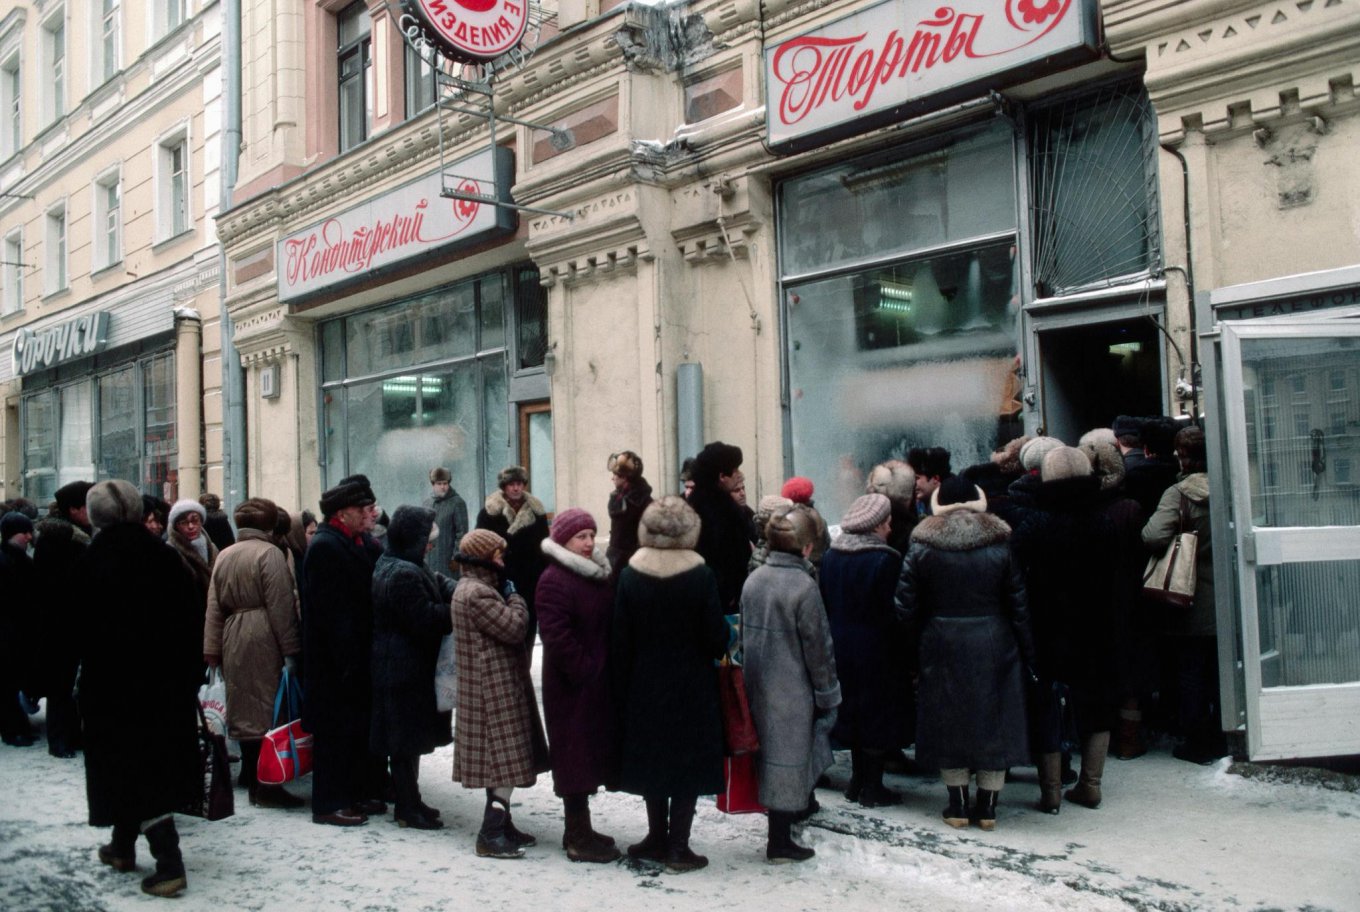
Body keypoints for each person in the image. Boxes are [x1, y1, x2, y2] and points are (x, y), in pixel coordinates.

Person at [77, 480, 201, 897]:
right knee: (148, 763)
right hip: (165, 686)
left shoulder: (92, 561)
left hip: (111, 689)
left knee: (130, 768)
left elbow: (75, 629)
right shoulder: (164, 558)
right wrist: (188, 676)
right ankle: (121, 847)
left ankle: (169, 863)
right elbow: (190, 621)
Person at [896, 476, 1034, 831]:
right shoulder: (1000, 544)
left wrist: (911, 651)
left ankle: (956, 804)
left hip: (940, 641)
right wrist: (1027, 650)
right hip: (995, 640)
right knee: (994, 722)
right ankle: (988, 808)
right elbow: (1019, 604)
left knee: (949, 721)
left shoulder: (922, 547)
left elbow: (905, 606)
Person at [612, 496, 727, 873]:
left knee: (654, 757)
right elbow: (716, 638)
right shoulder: (701, 574)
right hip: (691, 683)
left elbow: (620, 639)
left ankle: (655, 838)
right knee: (686, 761)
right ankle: (679, 846)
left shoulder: (630, 574)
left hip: (644, 682)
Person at [1011, 447, 1120, 813]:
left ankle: (1051, 792)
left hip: (1047, 624)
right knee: (1097, 700)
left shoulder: (1035, 525)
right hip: (1096, 625)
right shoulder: (1105, 522)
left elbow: (1016, 576)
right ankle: (1091, 784)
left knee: (1047, 704)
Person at [740, 508, 840, 863]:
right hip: (793, 687)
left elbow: (744, 636)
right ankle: (780, 840)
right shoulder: (803, 586)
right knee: (790, 757)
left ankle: (785, 824)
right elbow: (819, 647)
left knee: (771, 756)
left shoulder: (754, 580)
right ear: (807, 547)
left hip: (758, 681)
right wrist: (828, 691)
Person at [450, 528, 550, 858]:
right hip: (492, 691)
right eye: (497, 555)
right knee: (504, 764)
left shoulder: (471, 588)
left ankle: (503, 825)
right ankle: (491, 833)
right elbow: (515, 627)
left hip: (488, 687)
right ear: (483, 558)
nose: (502, 561)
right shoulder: (478, 594)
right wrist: (516, 598)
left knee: (499, 763)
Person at [203, 498, 304, 810]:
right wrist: (291, 649)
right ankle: (267, 784)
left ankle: (251, 773)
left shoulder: (225, 554)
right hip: (264, 634)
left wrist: (212, 649)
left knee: (243, 706)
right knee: (268, 708)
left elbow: (214, 606)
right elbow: (281, 606)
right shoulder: (269, 554)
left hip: (233, 633)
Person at [534, 508, 620, 863]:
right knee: (573, 757)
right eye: (580, 537)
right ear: (563, 540)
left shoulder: (594, 574)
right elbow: (556, 635)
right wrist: (586, 670)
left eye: (591, 535)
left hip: (593, 682)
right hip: (570, 686)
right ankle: (577, 837)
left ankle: (581, 828)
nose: (588, 543)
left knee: (588, 754)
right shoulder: (554, 579)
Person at [301, 475, 387, 826]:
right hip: (334, 662)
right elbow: (332, 613)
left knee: (351, 730)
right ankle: (328, 803)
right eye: (362, 509)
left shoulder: (355, 540)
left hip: (351, 658)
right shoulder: (326, 546)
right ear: (342, 513)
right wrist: (348, 659)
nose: (370, 513)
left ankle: (352, 794)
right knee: (333, 734)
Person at [370, 505, 456, 830]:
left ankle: (412, 800)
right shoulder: (402, 573)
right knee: (404, 743)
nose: (430, 546)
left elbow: (437, 582)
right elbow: (425, 618)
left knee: (407, 740)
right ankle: (407, 807)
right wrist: (457, 611)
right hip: (402, 668)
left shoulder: (399, 563)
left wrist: (460, 592)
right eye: (426, 541)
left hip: (401, 665)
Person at [1142, 426, 1224, 765]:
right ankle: (1224, 735)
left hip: (1188, 595)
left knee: (1191, 672)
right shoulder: (1227, 485)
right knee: (1220, 670)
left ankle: (1197, 743)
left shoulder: (1177, 494)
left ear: (1182, 456)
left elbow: (1152, 536)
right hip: (1226, 596)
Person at [818, 493, 906, 807]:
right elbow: (892, 610)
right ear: (877, 525)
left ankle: (857, 781)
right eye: (887, 523)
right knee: (876, 713)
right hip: (876, 645)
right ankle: (872, 786)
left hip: (839, 642)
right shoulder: (885, 559)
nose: (890, 528)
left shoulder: (832, 556)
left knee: (852, 709)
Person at [33, 479, 94, 759]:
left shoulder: (78, 535)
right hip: (59, 625)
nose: (90, 512)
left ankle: (71, 735)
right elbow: (54, 585)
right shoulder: (57, 539)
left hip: (71, 623)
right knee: (61, 684)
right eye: (86, 507)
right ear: (73, 509)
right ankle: (59, 740)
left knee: (72, 683)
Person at [475, 466, 550, 651]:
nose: (516, 488)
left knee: (528, 627)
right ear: (504, 487)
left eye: (519, 484)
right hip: (500, 577)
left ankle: (526, 665)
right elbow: (480, 544)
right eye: (511, 484)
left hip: (530, 578)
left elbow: (545, 546)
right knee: (504, 629)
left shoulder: (537, 512)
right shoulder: (489, 512)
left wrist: (544, 575)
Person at [686, 441, 753, 614]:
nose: (739, 475)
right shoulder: (721, 511)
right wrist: (730, 592)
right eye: (735, 470)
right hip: (722, 599)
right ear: (722, 476)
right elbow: (728, 558)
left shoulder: (693, 505)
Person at [1, 512, 38, 747]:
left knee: (12, 682)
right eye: (24, 532)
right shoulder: (8, 561)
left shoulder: (19, 559)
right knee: (8, 684)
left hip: (18, 632)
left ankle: (17, 726)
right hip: (8, 633)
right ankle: (12, 729)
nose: (29, 536)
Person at [605, 451, 653, 585]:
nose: (612, 478)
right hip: (616, 562)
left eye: (615, 474)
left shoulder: (645, 503)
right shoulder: (619, 498)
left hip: (634, 566)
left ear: (624, 477)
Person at [423, 467, 468, 578]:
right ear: (433, 484)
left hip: (447, 561)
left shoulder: (457, 503)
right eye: (439, 484)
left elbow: (462, 533)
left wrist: (456, 557)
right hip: (429, 560)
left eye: (445, 483)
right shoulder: (427, 503)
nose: (443, 487)